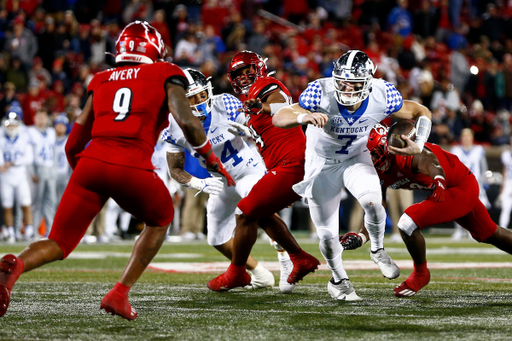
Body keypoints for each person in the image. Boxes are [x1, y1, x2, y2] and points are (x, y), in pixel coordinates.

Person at [0, 21, 233, 320]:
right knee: (161, 218)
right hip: (131, 163)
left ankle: (15, 264)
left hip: (91, 163)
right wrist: (211, 159)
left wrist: (89, 178)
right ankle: (119, 293)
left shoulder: (102, 78)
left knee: (59, 242)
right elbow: (187, 122)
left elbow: (73, 143)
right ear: (155, 50)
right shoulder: (166, 72)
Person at [273, 50, 433, 301]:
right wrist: (304, 116)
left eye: (354, 83)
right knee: (326, 234)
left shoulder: (382, 93)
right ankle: (339, 281)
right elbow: (279, 116)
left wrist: (420, 142)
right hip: (322, 164)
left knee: (373, 203)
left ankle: (377, 249)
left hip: (355, 158)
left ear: (368, 82)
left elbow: (421, 111)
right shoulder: (320, 91)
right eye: (343, 81)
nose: (347, 88)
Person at [341, 121, 512, 298]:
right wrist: (362, 236)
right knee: (491, 234)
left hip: (456, 186)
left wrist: (438, 179)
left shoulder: (405, 151)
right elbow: (376, 207)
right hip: (453, 186)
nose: (372, 160)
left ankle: (421, 273)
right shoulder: (377, 171)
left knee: (407, 222)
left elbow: (428, 161)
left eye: (374, 154)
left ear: (388, 147)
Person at [208, 51, 320, 294]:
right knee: (258, 212)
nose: (244, 77)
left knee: (244, 212)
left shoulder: (265, 85)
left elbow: (283, 106)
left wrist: (264, 106)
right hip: (284, 165)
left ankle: (236, 273)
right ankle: (299, 258)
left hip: (293, 162)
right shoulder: (247, 101)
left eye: (247, 70)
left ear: (258, 68)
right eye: (238, 73)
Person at [164, 68, 275, 290]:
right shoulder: (174, 124)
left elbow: (264, 127)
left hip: (247, 170)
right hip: (220, 181)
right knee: (215, 238)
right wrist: (198, 183)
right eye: (192, 97)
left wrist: (253, 129)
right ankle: (261, 274)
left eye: (202, 94)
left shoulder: (225, 103)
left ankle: (287, 258)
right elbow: (174, 169)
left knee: (256, 208)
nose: (199, 101)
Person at [450, 128, 490, 240]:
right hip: (460, 185)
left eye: (468, 136)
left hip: (476, 185)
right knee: (457, 209)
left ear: (472, 138)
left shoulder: (478, 150)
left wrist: (485, 181)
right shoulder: (455, 150)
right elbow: (452, 168)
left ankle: (473, 231)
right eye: (464, 136)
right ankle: (459, 231)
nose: (466, 139)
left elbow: (484, 167)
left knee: (476, 210)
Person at [0, 112, 34, 242]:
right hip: (5, 175)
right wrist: (3, 164)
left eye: (14, 125)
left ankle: (29, 231)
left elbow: (29, 158)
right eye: (9, 124)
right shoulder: (1, 137)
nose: (11, 127)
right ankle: (10, 232)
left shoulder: (24, 137)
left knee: (26, 204)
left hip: (20, 174)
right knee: (7, 205)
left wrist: (13, 162)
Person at [27, 108, 57, 237]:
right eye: (38, 116)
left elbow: (54, 151)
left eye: (43, 116)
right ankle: (34, 231)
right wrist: (32, 171)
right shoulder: (30, 131)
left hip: (50, 167)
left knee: (51, 201)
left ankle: (50, 231)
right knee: (36, 201)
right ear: (34, 118)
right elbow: (28, 153)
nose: (41, 119)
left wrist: (54, 168)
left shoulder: (51, 132)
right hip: (37, 167)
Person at [54, 114, 71, 204]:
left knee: (62, 202)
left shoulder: (69, 140)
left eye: (63, 125)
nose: (60, 127)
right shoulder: (49, 138)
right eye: (58, 124)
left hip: (64, 174)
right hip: (51, 174)